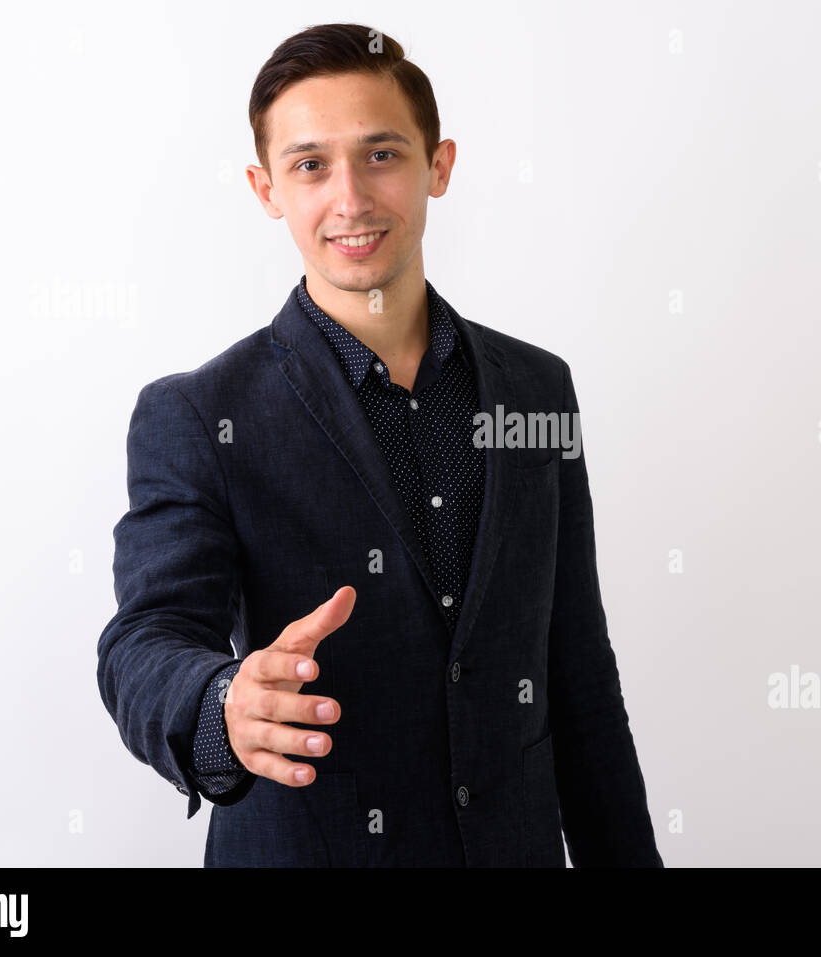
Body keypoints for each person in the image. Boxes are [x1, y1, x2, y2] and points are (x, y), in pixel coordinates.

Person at [96, 22, 662, 867]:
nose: (351, 199)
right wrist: (221, 704)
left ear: (439, 165)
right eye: (311, 164)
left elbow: (577, 669)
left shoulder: (538, 391)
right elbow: (144, 640)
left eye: (383, 155)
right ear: (266, 188)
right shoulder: (197, 413)